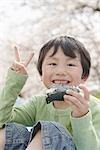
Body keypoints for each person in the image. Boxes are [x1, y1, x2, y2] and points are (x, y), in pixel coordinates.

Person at [0, 35, 100, 150]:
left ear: (84, 76)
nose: (60, 71)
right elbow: (2, 121)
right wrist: (14, 82)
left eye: (70, 64)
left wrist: (82, 116)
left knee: (49, 130)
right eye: (53, 64)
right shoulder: (38, 103)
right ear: (41, 74)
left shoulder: (95, 108)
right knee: (9, 131)